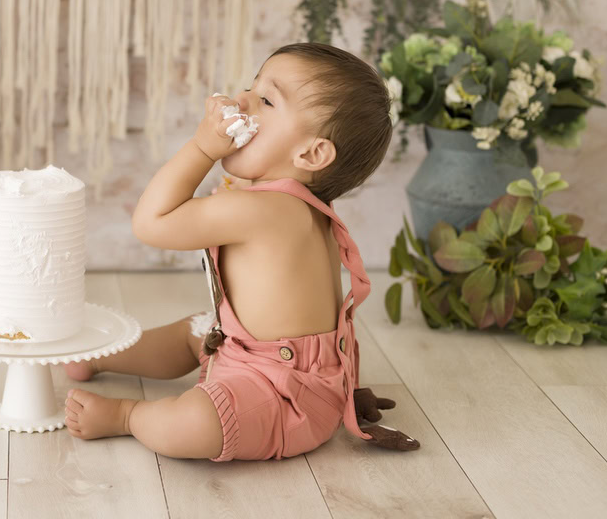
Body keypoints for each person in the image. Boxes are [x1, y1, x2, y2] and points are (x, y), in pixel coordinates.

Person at [63, 42, 419, 459]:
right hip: (252, 353)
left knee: (195, 422)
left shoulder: (267, 210)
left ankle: (127, 416)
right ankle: (102, 358)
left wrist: (201, 149)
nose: (243, 100)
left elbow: (150, 223)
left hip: (286, 396)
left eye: (267, 100)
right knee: (195, 331)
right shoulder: (288, 202)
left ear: (311, 153)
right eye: (250, 86)